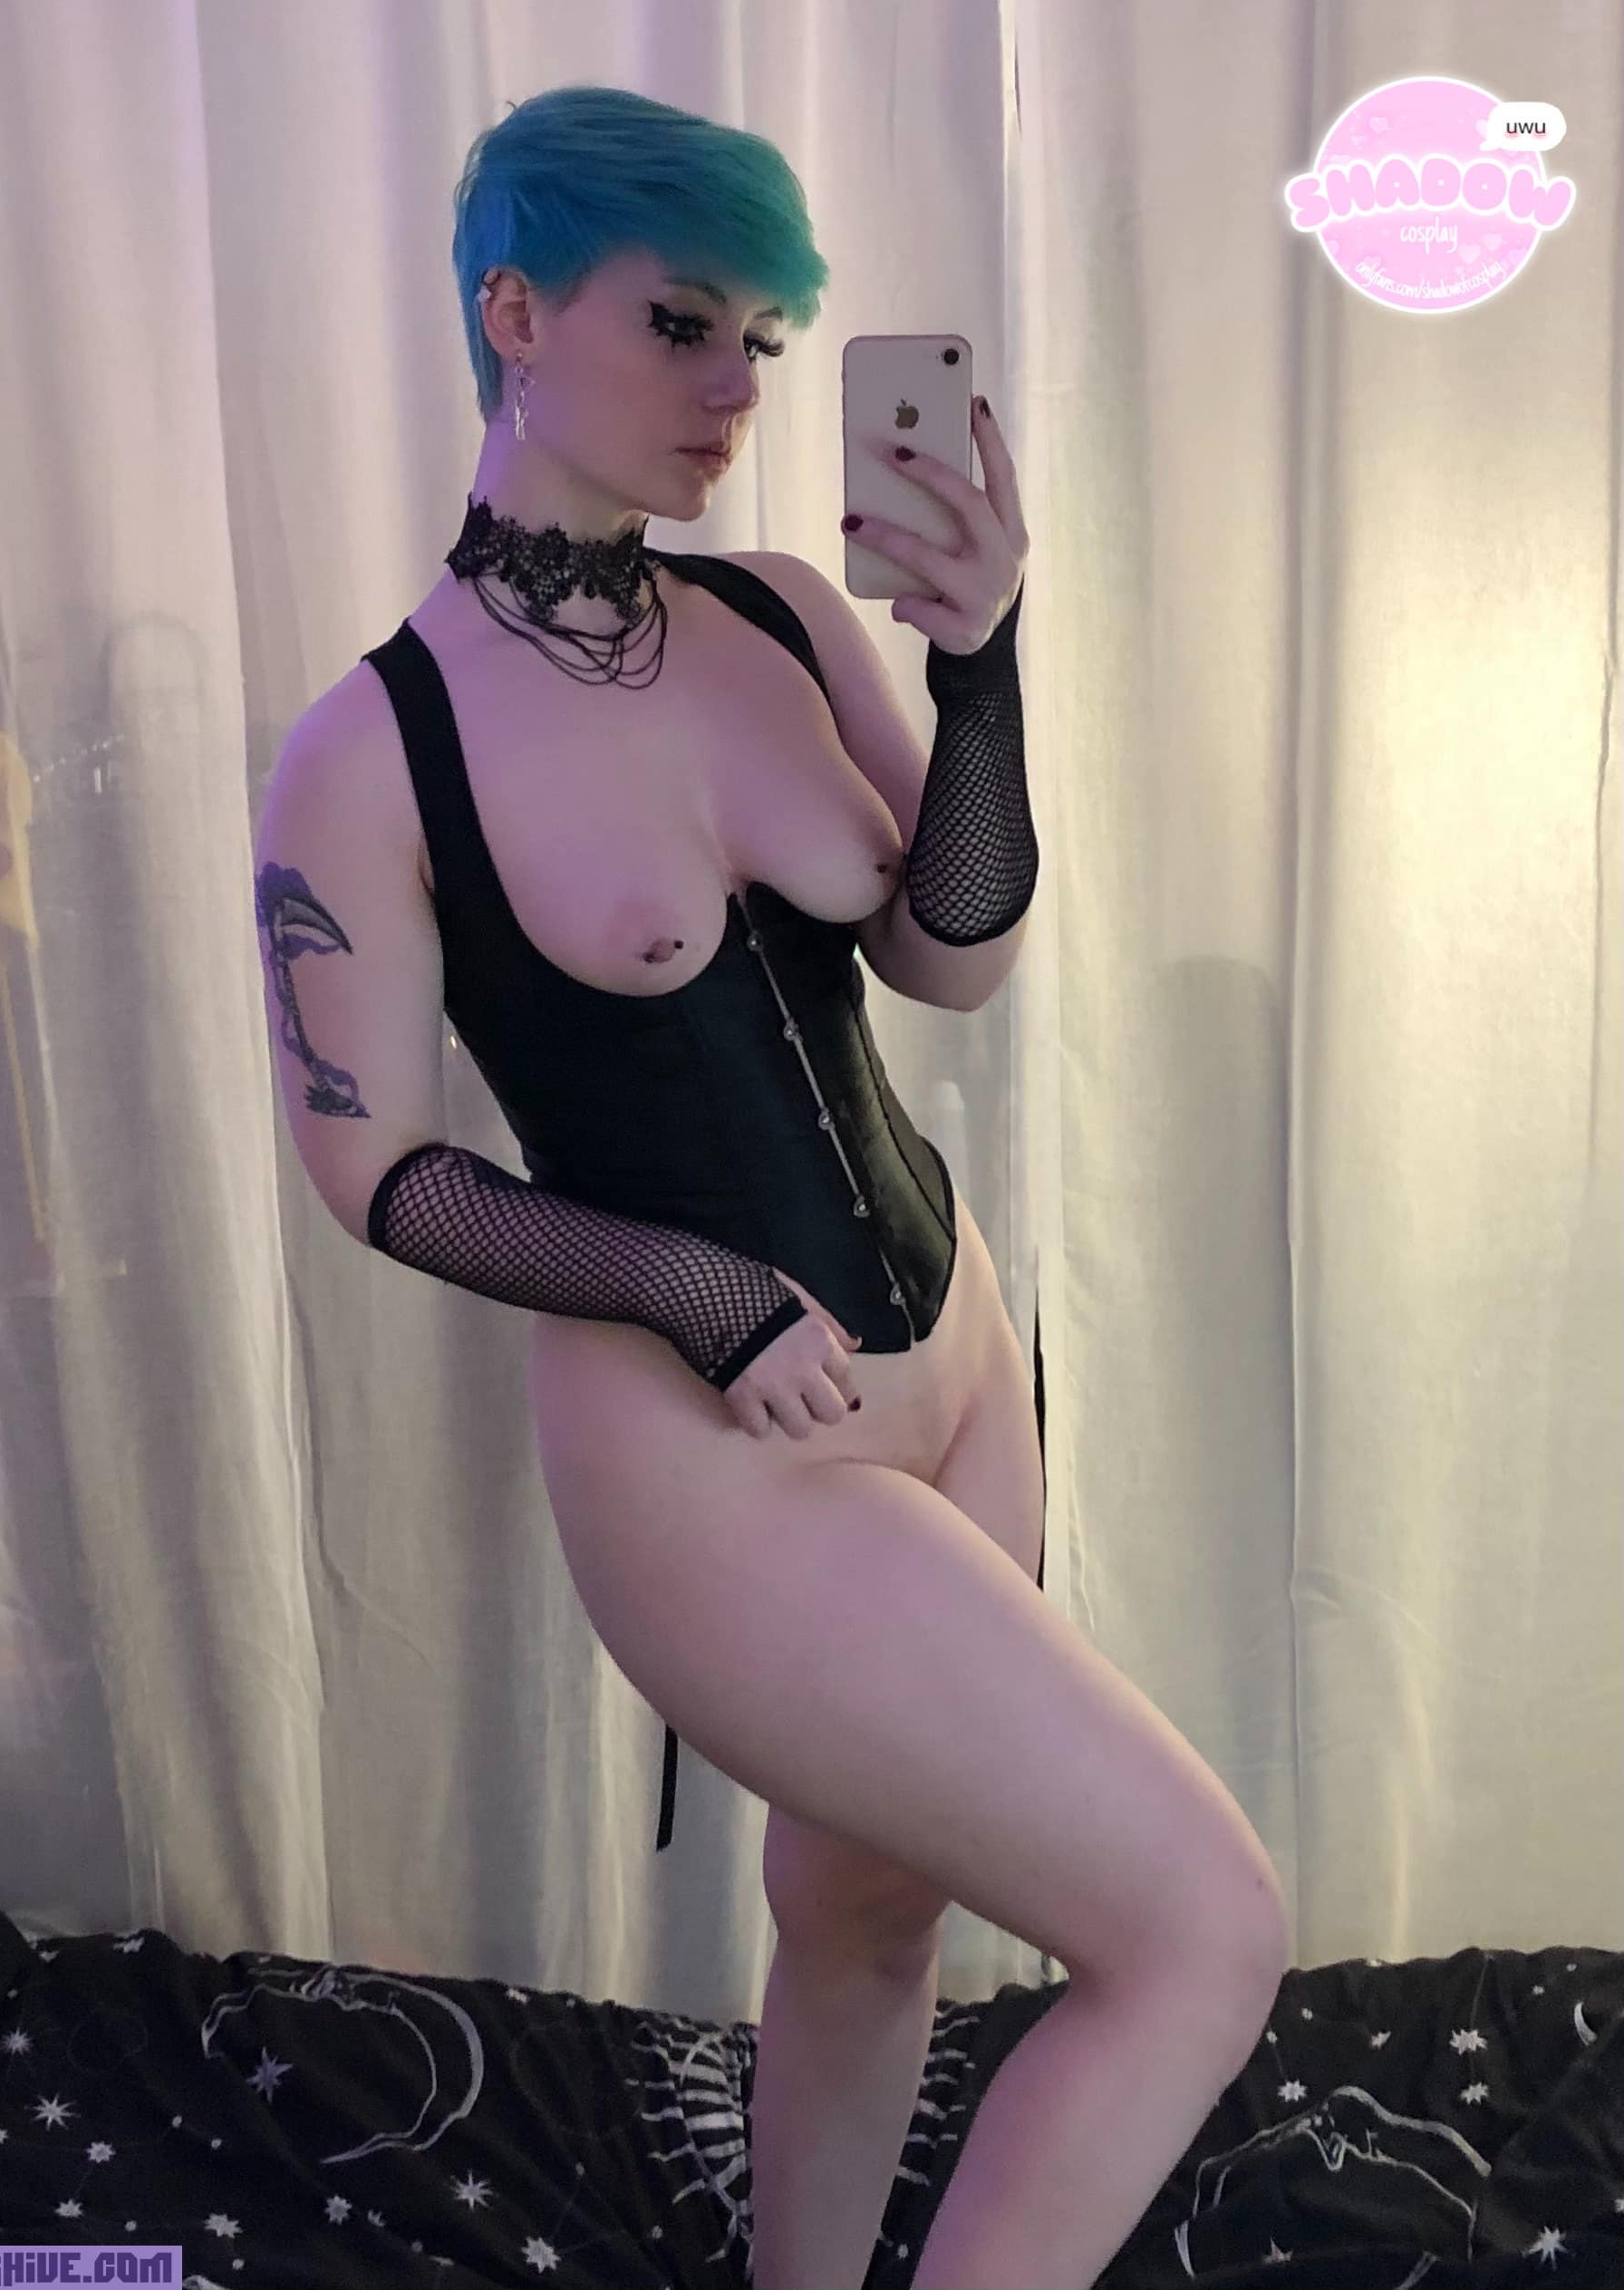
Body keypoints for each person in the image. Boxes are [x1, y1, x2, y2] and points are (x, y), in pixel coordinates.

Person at [253, 82, 1289, 2290]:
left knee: (867, 1905)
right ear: (513, 314)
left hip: (958, 1356)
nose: (737, 385)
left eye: (765, 337)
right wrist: (689, 1289)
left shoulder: (788, 616)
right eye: (683, 323)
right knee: (1207, 1927)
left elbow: (952, 954)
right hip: (712, 1446)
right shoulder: (372, 747)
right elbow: (369, 1165)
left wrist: (978, 663)